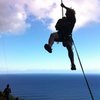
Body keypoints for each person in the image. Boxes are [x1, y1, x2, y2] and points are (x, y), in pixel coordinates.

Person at [44, 3, 76, 70]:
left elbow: (72, 11)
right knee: (52, 35)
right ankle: (50, 46)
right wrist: (60, 25)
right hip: (61, 35)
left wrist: (64, 6)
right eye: (66, 12)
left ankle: (72, 64)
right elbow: (56, 27)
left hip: (67, 36)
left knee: (69, 48)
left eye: (67, 12)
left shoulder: (72, 20)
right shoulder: (61, 20)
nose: (66, 13)